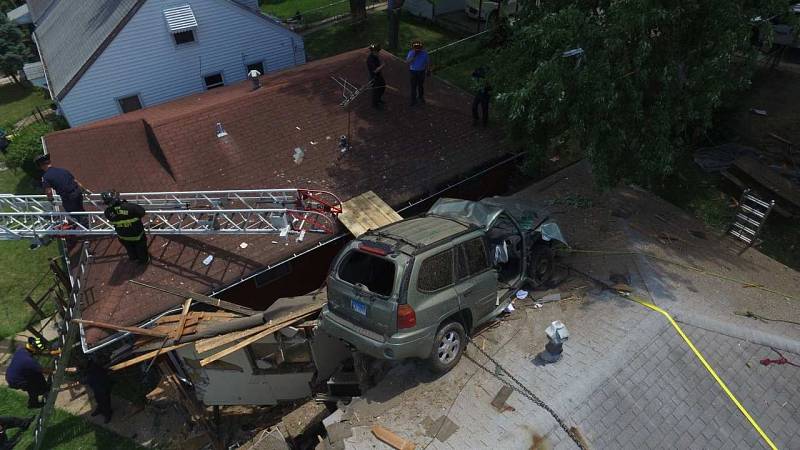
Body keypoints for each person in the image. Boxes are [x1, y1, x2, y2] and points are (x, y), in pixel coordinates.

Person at [35, 154, 91, 227]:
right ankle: (86, 223)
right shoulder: (63, 170)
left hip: (69, 197)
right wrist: (85, 190)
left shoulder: (46, 177)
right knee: (80, 210)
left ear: (41, 166)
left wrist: (50, 199)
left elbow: (48, 191)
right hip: (78, 192)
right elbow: (76, 182)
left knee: (72, 211)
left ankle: (86, 227)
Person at [102, 190, 149, 264]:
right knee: (141, 248)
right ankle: (144, 261)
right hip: (137, 235)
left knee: (129, 248)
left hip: (123, 236)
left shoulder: (107, 213)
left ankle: (133, 258)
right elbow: (142, 212)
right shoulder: (130, 207)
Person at [5, 337, 51, 409]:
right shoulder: (29, 361)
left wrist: (49, 352)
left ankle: (44, 388)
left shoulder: (21, 350)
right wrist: (55, 371)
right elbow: (44, 370)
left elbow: (37, 353)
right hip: (15, 380)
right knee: (32, 385)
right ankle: (33, 403)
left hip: (10, 374)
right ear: (35, 349)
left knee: (36, 375)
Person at [79, 356, 113, 424]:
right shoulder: (88, 365)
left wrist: (85, 380)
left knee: (104, 398)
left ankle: (108, 414)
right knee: (97, 396)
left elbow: (92, 375)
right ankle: (100, 408)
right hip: (95, 382)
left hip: (101, 381)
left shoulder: (95, 364)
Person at [406, 41, 429, 106]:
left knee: (420, 86)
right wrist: (413, 57)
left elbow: (427, 62)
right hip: (413, 72)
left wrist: (428, 70)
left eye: (419, 47)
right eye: (416, 47)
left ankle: (421, 97)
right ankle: (413, 100)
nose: (417, 49)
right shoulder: (411, 53)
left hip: (421, 72)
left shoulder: (425, 54)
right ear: (413, 47)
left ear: (421, 48)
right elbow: (407, 62)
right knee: (413, 86)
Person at [366, 43, 386, 108]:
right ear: (373, 51)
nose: (378, 52)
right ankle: (375, 105)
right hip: (374, 77)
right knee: (376, 91)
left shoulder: (375, 56)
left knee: (382, 87)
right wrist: (382, 65)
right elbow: (375, 70)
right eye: (377, 51)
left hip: (379, 76)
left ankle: (378, 99)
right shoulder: (370, 59)